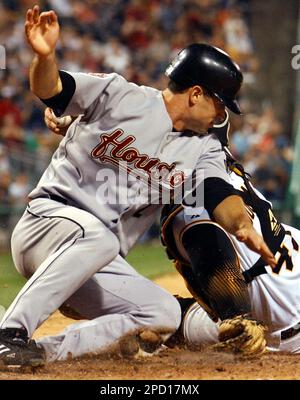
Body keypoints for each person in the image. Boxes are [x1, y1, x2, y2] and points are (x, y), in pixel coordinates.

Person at [0, 5, 275, 368]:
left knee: (161, 312)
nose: (221, 116)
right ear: (195, 94)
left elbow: (216, 194)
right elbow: (52, 89)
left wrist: (242, 227)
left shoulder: (204, 147)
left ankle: (43, 351)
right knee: (98, 237)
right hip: (47, 225)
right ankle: (10, 334)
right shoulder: (119, 95)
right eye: (220, 105)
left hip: (97, 258)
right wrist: (45, 55)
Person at [160, 114, 300, 355]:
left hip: (284, 330)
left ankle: (159, 318)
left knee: (167, 319)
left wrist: (235, 315)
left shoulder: (189, 198)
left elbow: (209, 245)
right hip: (291, 270)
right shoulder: (232, 172)